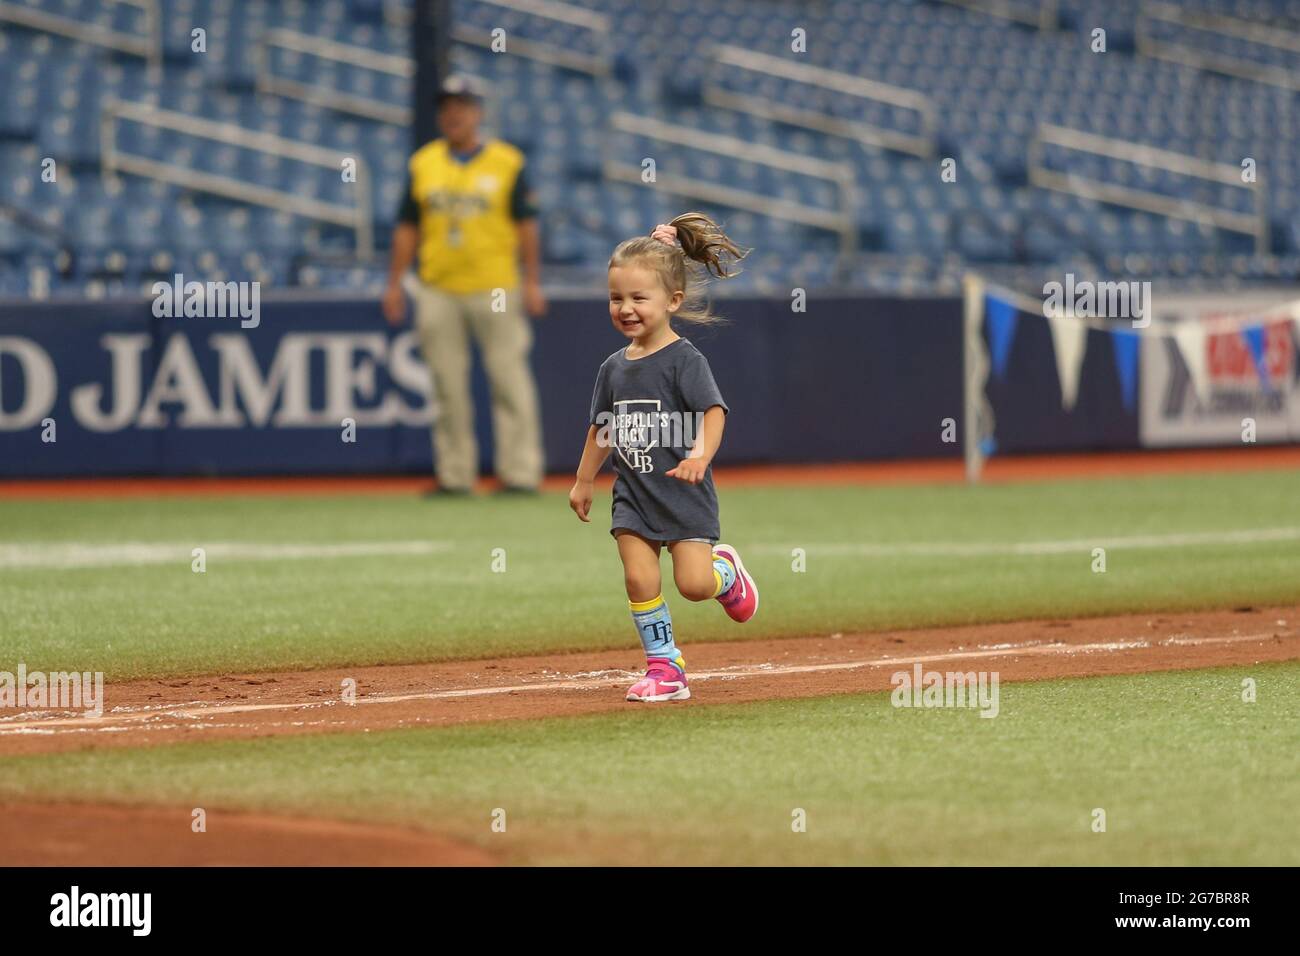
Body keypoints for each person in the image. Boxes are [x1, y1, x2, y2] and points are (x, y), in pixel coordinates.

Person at [569, 212, 760, 703]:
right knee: (637, 574)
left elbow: (714, 412)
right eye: (616, 298)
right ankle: (665, 666)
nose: (625, 308)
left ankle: (726, 574)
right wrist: (584, 480)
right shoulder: (613, 369)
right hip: (633, 494)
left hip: (683, 493)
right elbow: (602, 429)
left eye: (638, 298)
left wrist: (699, 455)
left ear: (672, 300)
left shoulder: (684, 360)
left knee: (694, 585)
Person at [383, 74, 546, 495]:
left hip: (496, 286)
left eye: (462, 105)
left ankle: (520, 473)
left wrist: (532, 281)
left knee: (508, 379)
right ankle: (456, 476)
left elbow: (527, 226)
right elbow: (407, 227)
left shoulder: (507, 161)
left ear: (478, 113)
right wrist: (394, 283)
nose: (454, 113)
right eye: (447, 106)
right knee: (446, 384)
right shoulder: (424, 163)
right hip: (437, 287)